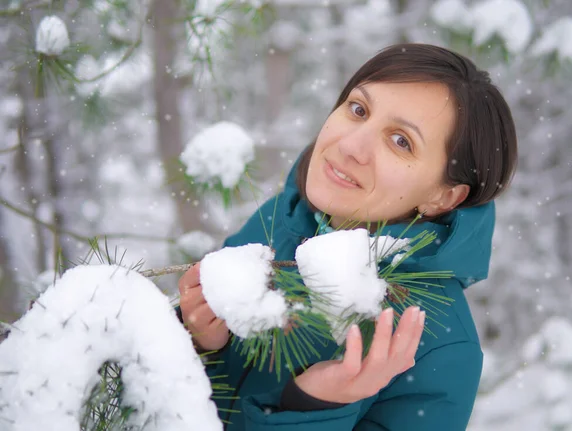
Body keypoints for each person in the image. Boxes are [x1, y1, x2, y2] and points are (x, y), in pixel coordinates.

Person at [177, 43, 518, 431]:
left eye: (401, 140)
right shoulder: (281, 219)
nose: (351, 146)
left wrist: (313, 405)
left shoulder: (443, 347)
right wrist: (197, 339)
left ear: (444, 196)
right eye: (359, 110)